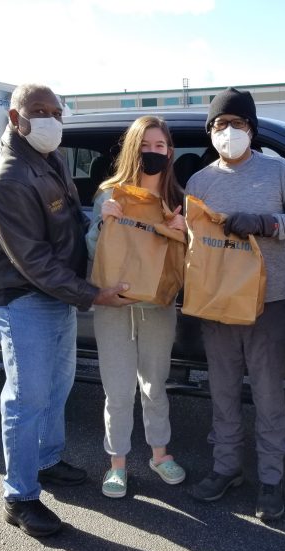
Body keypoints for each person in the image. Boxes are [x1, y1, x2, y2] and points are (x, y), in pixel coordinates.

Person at [0, 83, 133, 537]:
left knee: (57, 387)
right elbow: (33, 260)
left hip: (55, 292)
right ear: (14, 117)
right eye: (38, 111)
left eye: (56, 111)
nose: (49, 119)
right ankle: (19, 496)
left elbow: (71, 214)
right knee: (26, 399)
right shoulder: (7, 177)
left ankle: (47, 459)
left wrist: (102, 218)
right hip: (20, 297)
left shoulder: (49, 159)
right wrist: (93, 294)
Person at [185, 88, 285, 520]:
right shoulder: (199, 182)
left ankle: (270, 478)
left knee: (267, 394)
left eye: (238, 124)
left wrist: (267, 223)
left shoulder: (278, 172)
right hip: (217, 305)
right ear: (211, 132)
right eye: (220, 125)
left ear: (252, 128)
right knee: (222, 392)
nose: (229, 132)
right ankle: (226, 468)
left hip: (269, 303)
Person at [85, 116, 187, 498]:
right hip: (114, 304)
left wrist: (182, 234)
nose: (153, 153)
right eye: (145, 146)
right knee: (117, 388)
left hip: (158, 305)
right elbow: (93, 256)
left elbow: (188, 263)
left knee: (155, 384)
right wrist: (102, 223)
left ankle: (160, 455)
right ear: (133, 149)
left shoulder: (176, 200)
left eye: (159, 146)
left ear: (169, 151)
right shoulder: (110, 194)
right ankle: (117, 464)